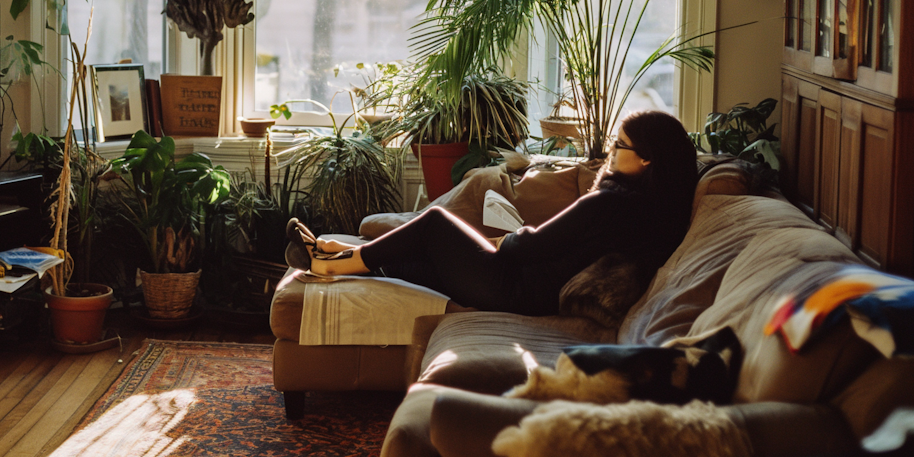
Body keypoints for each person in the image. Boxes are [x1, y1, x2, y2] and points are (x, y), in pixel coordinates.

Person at [286, 109, 699, 316]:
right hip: (535, 294)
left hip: (518, 289)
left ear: (647, 159)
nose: (611, 153)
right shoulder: (654, 211)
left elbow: (535, 247)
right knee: (425, 264)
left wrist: (507, 239)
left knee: (435, 225)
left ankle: (332, 264)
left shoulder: (611, 202)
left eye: (619, 146)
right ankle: (337, 251)